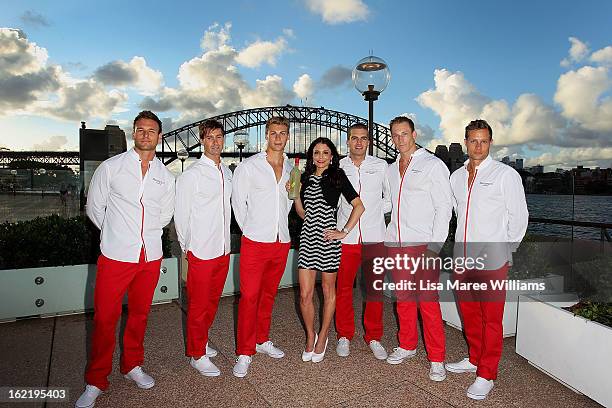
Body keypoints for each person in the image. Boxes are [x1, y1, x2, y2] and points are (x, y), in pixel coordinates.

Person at [76, 111, 175, 408]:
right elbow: (95, 208)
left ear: (159, 136)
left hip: (150, 257)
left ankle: (132, 365)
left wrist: (146, 235)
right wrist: (117, 234)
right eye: (140, 129)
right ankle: (96, 380)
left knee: (140, 315)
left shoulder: (165, 176)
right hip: (116, 256)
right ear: (134, 133)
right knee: (105, 318)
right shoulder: (111, 168)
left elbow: (166, 214)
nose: (146, 134)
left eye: (151, 130)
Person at [445, 119, 528, 400]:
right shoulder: (456, 177)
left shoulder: (506, 175)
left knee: (491, 319)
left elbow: (519, 218)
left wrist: (507, 251)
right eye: (473, 140)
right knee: (469, 314)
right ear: (466, 142)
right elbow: (456, 214)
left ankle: (487, 373)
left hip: (491, 259)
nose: (478, 146)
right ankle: (474, 358)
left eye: (483, 140)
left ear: (490, 142)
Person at [384, 116, 453, 382]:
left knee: (428, 302)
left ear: (414, 134)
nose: (400, 139)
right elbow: (390, 205)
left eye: (404, 134)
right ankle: (407, 345)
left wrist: (434, 247)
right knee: (403, 299)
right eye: (395, 135)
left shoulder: (433, 165)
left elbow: (444, 208)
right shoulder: (391, 169)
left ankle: (437, 358)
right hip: (396, 245)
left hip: (424, 246)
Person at [292, 137, 364, 363]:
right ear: (311, 156)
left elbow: (359, 206)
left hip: (327, 240)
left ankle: (323, 336)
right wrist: (295, 194)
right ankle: (310, 335)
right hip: (307, 238)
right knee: (304, 294)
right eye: (316, 152)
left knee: (327, 291)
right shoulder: (303, 177)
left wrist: (343, 231)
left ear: (332, 156)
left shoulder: (337, 176)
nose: (320, 157)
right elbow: (303, 214)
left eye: (325, 152)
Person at [231, 116, 293, 378]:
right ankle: (245, 351)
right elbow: (238, 203)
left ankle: (262, 339)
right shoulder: (250, 166)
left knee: (268, 295)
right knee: (249, 297)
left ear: (287, 137)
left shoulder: (292, 168)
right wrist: (252, 230)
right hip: (255, 242)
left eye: (282, 133)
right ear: (266, 136)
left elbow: (289, 202)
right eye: (273, 133)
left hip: (281, 241)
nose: (277, 137)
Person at [175, 119, 232, 377]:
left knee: (211, 303)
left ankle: (202, 342)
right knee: (198, 305)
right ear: (202, 140)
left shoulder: (227, 173)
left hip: (222, 250)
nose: (216, 142)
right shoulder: (191, 175)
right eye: (210, 137)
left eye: (219, 137)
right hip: (201, 250)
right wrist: (188, 248)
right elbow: (181, 215)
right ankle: (196, 355)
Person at [334, 123, 391, 360]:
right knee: (343, 289)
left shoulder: (380, 166)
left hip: (375, 238)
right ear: (348, 141)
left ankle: (374, 337)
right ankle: (344, 335)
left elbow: (390, 198)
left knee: (374, 290)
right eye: (354, 138)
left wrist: (375, 211)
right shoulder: (338, 166)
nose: (359, 142)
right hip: (346, 238)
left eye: (363, 138)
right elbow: (333, 200)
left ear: (369, 142)